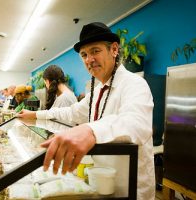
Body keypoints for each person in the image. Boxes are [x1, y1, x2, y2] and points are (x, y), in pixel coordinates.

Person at [17, 22, 155, 199]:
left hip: (130, 190)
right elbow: (71, 112)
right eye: (84, 55)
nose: (89, 59)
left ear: (114, 49)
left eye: (95, 51)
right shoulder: (96, 91)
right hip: (101, 186)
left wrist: (90, 130)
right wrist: (35, 115)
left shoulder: (134, 84)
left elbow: (137, 124)